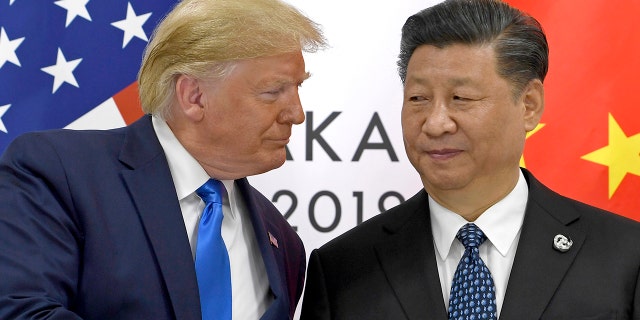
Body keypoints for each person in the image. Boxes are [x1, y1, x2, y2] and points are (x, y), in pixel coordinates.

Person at [300, 0, 640, 319]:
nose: (435, 123)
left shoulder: (626, 256)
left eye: (460, 98)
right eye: (418, 98)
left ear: (529, 105)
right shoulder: (342, 269)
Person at [0, 0, 325, 319]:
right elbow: (22, 311)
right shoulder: (59, 173)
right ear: (194, 96)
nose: (296, 114)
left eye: (297, 88)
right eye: (273, 91)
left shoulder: (283, 241)